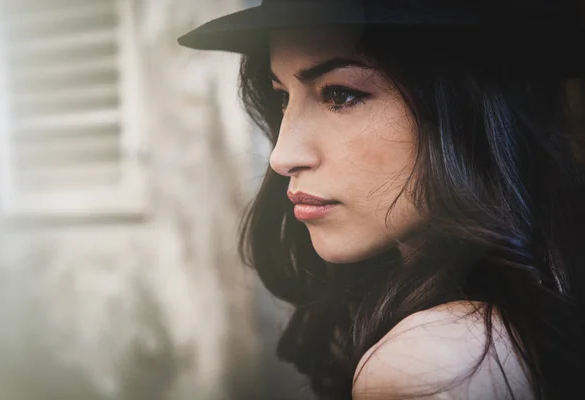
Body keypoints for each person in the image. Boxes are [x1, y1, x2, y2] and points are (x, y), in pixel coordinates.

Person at [178, 1, 585, 399]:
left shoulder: (425, 367)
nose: (281, 156)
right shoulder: (533, 312)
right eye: (283, 97)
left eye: (340, 94)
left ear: (463, 110)